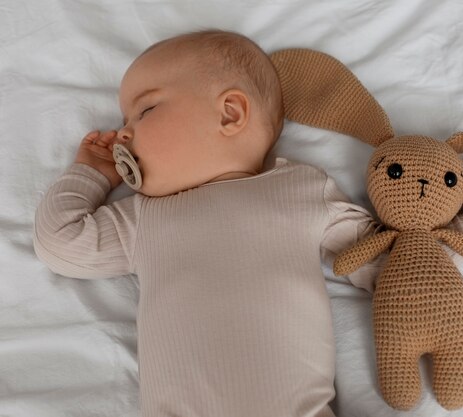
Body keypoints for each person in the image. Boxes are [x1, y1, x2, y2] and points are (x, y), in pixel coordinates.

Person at [33, 30, 381, 416]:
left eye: (145, 111)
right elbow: (61, 242)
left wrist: (438, 242)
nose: (123, 133)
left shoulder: (300, 189)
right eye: (125, 119)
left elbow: (378, 259)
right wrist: (91, 173)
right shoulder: (145, 218)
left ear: (230, 113)